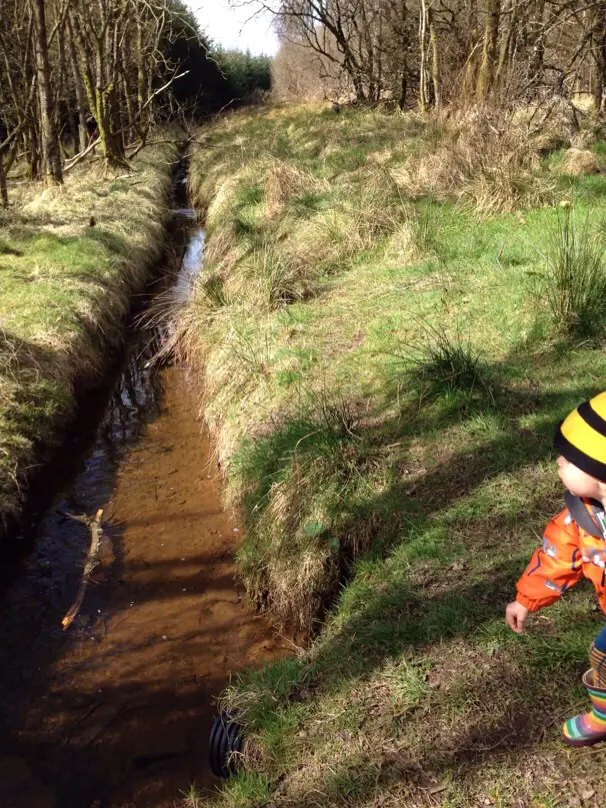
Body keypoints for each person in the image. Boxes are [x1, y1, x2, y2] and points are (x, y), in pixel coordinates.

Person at [505, 391, 606, 747]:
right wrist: (525, 600)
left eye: (570, 459)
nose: (559, 462)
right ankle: (603, 715)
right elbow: (556, 557)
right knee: (603, 656)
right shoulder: (582, 518)